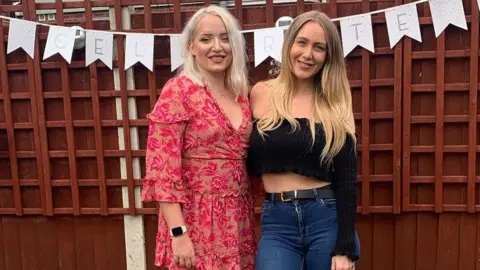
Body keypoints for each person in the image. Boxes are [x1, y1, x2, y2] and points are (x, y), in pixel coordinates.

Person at [141, 5, 256, 270]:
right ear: (192, 47)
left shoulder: (240, 95)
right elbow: (162, 168)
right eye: (206, 39)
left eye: (225, 38)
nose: (217, 47)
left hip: (237, 220)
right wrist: (178, 234)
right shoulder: (179, 90)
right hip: (195, 220)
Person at [247, 10, 360, 270]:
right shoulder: (261, 94)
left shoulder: (336, 102)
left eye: (319, 47)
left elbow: (347, 178)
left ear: (328, 56)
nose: (308, 54)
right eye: (302, 42)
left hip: (326, 218)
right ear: (289, 44)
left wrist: (345, 248)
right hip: (278, 221)